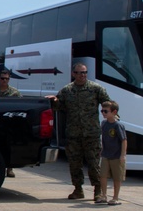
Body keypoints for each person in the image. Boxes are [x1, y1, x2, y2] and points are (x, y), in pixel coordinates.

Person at [47, 63, 110, 201]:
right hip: (73, 134)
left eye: (85, 72)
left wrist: (111, 117)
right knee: (75, 164)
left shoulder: (96, 89)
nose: (82, 75)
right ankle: (78, 189)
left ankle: (98, 191)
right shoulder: (67, 90)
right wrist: (53, 101)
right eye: (79, 73)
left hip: (91, 133)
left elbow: (108, 104)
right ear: (73, 74)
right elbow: (59, 107)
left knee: (93, 163)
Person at [0, 68, 22, 177]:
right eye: (2, 78)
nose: (4, 80)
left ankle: (9, 168)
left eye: (7, 79)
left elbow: (18, 107)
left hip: (9, 124)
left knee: (9, 146)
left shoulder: (15, 93)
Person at [99, 101, 126, 205]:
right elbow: (104, 139)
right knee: (103, 175)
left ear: (114, 112)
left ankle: (115, 197)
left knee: (117, 177)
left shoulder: (117, 125)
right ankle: (104, 195)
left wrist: (122, 155)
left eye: (106, 111)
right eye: (102, 111)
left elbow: (124, 140)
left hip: (116, 155)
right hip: (106, 154)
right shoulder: (104, 123)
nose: (103, 113)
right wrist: (101, 150)